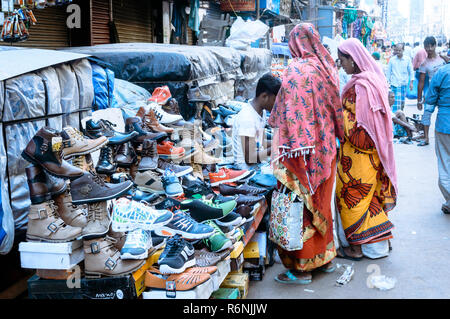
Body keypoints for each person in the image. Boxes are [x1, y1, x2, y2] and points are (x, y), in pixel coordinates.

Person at [269, 23, 344, 284]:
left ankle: (302, 270)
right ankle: (324, 261)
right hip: (326, 151)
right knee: (321, 205)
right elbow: (337, 112)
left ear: (294, 43)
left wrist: (281, 150)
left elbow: (287, 112)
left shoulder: (296, 69)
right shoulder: (328, 68)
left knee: (299, 209)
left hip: (300, 153)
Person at [335, 38, 397, 260]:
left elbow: (361, 130)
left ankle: (356, 248)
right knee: (369, 199)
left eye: (343, 60)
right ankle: (379, 243)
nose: (341, 65)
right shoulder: (373, 80)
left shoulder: (361, 87)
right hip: (369, 158)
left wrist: (336, 114)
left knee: (351, 198)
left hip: (359, 157)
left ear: (353, 59)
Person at [231, 73, 281, 170]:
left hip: (257, 165)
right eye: (275, 100)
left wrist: (281, 143)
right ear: (264, 96)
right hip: (246, 171)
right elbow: (250, 158)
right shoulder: (247, 118)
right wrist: (276, 148)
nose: (277, 105)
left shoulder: (260, 113)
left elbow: (260, 142)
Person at [424, 63, 450, 214]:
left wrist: (425, 121)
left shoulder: (442, 72)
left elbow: (431, 99)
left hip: (445, 124)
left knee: (445, 163)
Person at [417, 36, 446, 146]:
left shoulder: (443, 59)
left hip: (445, 92)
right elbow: (421, 82)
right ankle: (426, 137)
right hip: (432, 92)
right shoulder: (424, 64)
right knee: (426, 114)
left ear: (435, 46)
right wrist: (419, 100)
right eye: (426, 46)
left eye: (431, 46)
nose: (429, 48)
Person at [386, 43, 414, 112]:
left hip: (403, 84)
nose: (398, 52)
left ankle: (400, 117)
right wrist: (387, 83)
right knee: (394, 104)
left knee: (402, 103)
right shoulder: (392, 60)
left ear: (403, 50)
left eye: (399, 50)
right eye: (396, 50)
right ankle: (395, 120)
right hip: (394, 84)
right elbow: (388, 73)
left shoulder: (407, 59)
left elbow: (411, 71)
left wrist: (411, 83)